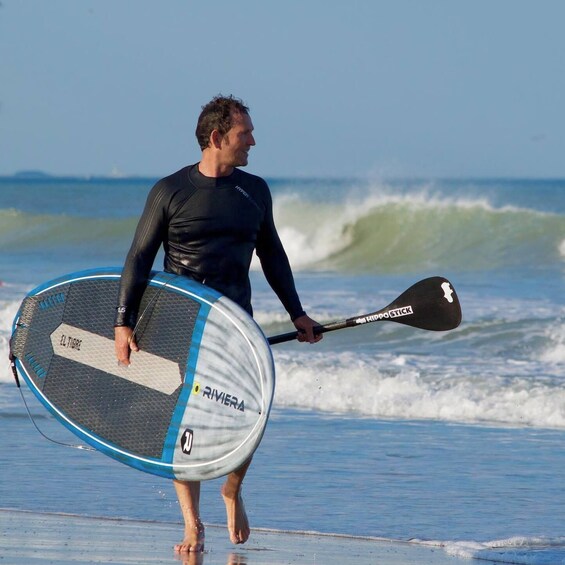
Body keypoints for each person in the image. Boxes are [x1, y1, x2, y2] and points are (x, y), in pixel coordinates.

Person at [114, 94, 322, 553]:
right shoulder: (170, 191)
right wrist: (122, 322)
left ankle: (232, 488)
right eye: (244, 133)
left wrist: (297, 313)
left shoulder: (255, 191)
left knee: (252, 412)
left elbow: (272, 255)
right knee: (182, 422)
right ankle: (192, 524)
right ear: (216, 138)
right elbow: (139, 258)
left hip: (236, 325)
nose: (253, 141)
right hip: (180, 322)